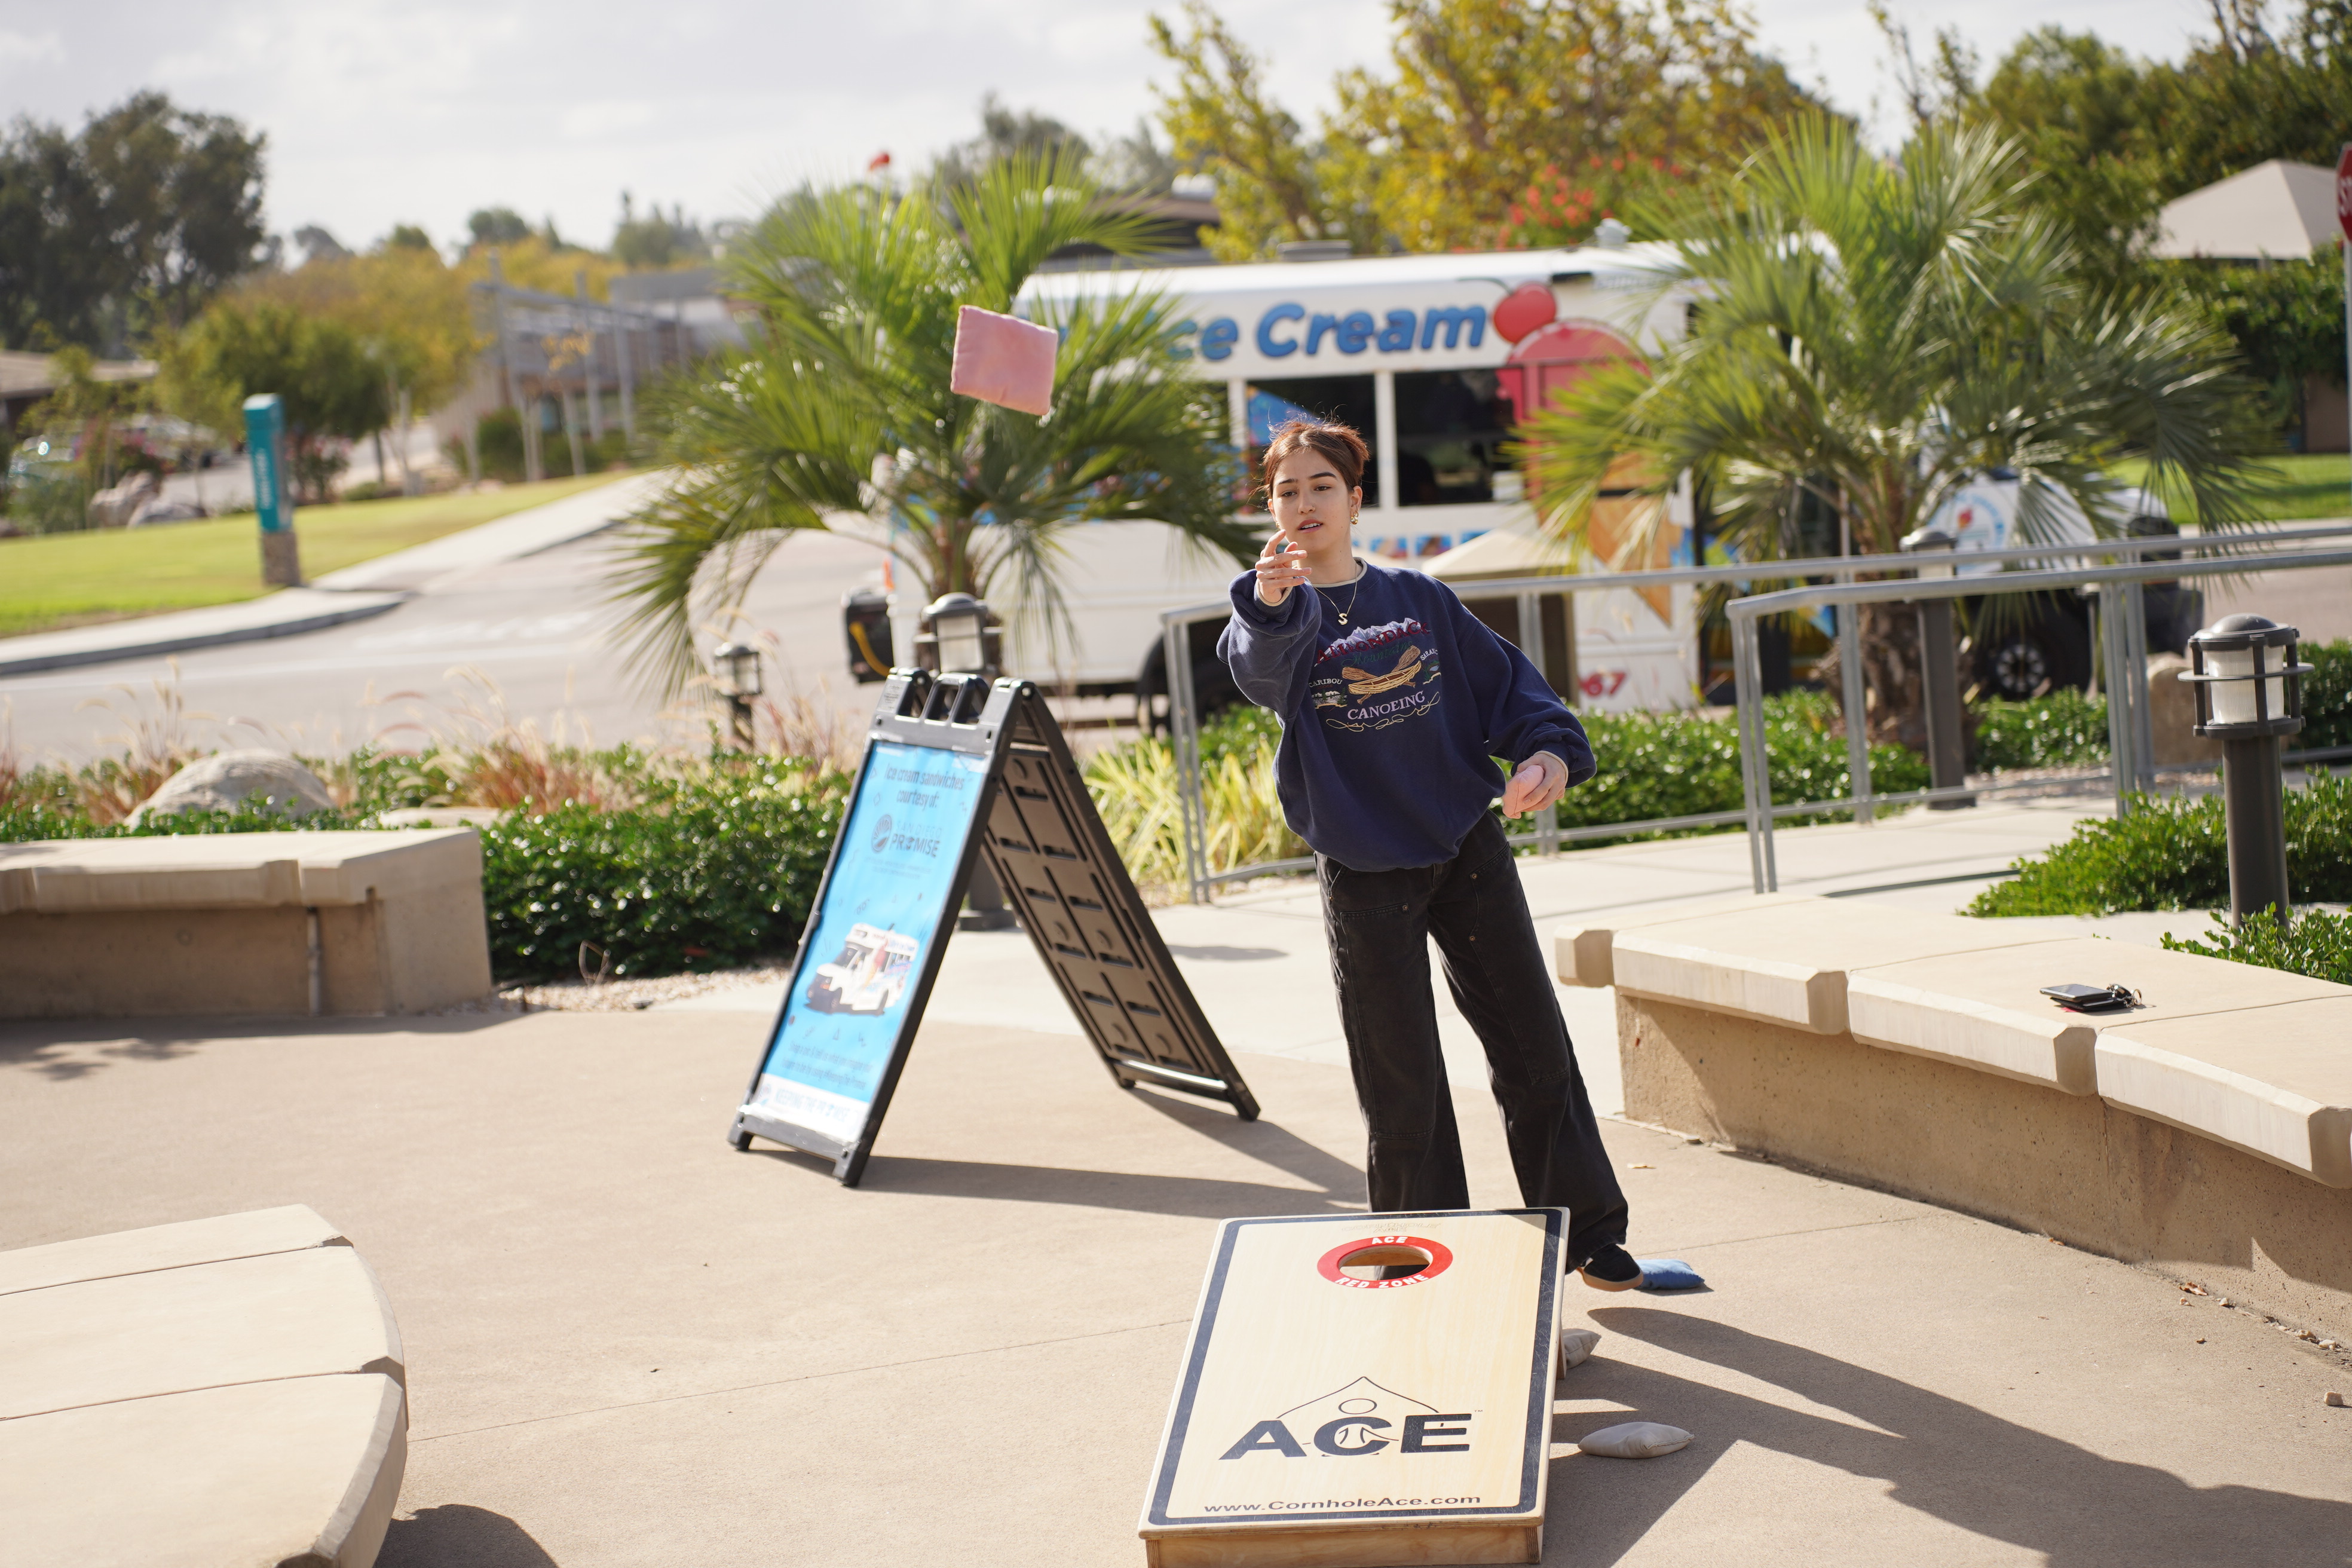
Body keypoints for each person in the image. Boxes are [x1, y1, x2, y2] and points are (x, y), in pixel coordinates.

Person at [1218, 418, 1647, 1291]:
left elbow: (1517, 696)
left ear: (1355, 499)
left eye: (1322, 486)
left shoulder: (1420, 598)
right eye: (1287, 491)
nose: (1305, 503)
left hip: (1467, 849)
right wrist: (1265, 605)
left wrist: (1546, 757)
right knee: (1401, 1080)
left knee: (1535, 1047)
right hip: (1364, 869)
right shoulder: (1283, 614)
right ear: (1270, 508)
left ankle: (1589, 1234)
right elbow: (1257, 670)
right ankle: (1427, 1260)